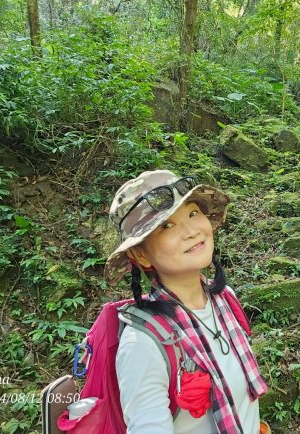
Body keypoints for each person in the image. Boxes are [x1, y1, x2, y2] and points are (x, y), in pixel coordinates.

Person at [104, 170, 269, 434]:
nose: (192, 231)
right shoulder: (144, 343)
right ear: (140, 255)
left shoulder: (226, 301)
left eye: (193, 213)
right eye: (166, 226)